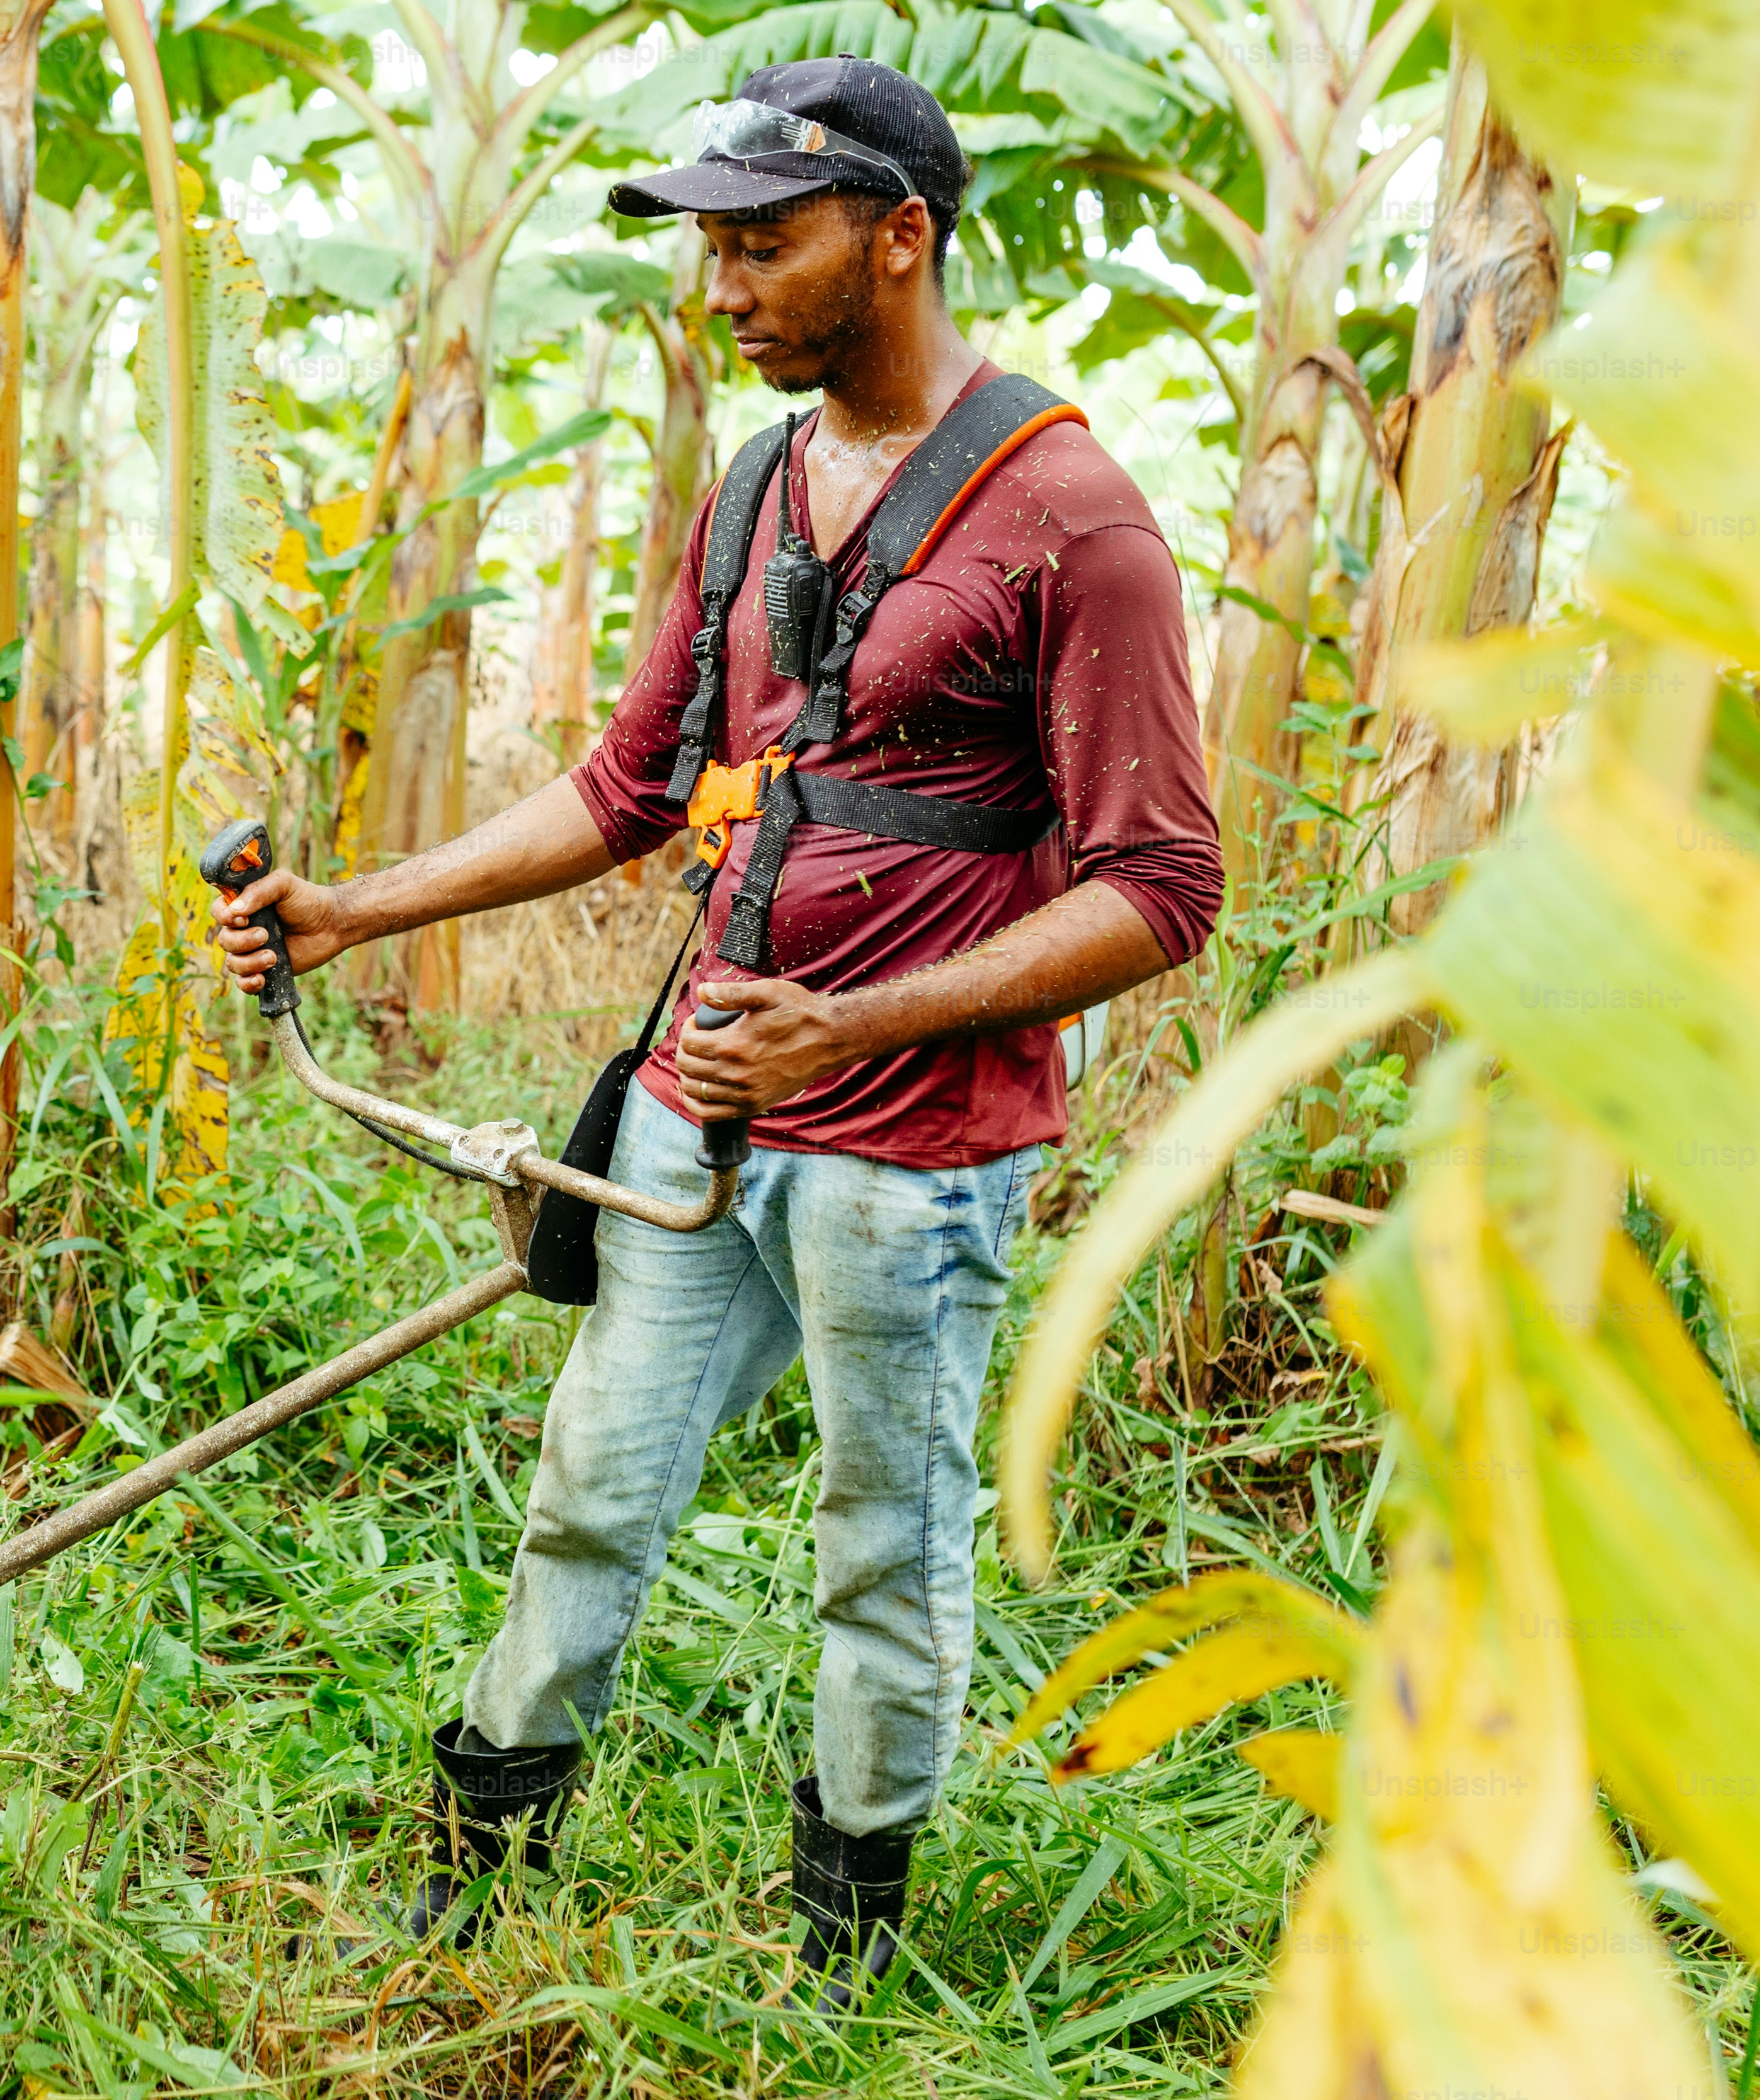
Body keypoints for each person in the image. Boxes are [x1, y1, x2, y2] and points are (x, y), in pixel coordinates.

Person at [212, 55, 1221, 1998]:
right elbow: (628, 785)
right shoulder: (756, 483)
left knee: (882, 1546)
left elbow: (1162, 888)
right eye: (713, 250)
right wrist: (349, 908)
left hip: (913, 1156)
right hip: (695, 1113)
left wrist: (860, 1029)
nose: (725, 289)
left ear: (900, 238)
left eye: (765, 246)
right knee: (591, 1486)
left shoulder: (1076, 521)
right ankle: (478, 1856)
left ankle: (844, 1944)